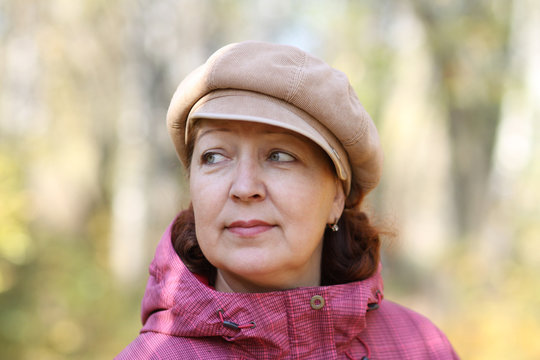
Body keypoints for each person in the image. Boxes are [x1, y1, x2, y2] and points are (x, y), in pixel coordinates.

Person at [117, 41, 459, 359]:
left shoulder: (420, 345)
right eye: (214, 156)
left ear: (337, 197)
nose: (244, 187)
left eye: (280, 156)